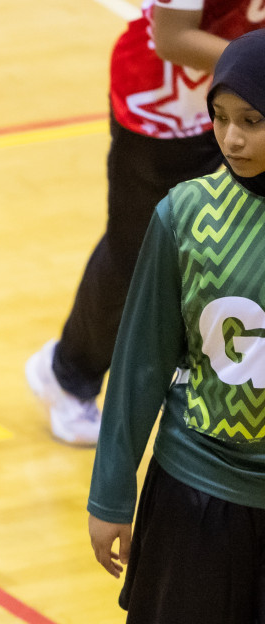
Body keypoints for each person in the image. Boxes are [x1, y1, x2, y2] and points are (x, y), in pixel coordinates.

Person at [88, 31, 265, 624]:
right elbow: (145, 356)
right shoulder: (185, 215)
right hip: (200, 496)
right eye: (223, 120)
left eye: (251, 122)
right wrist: (112, 492)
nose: (230, 139)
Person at [28, 0, 264, 445]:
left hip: (250, 94)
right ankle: (65, 374)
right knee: (139, 252)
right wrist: (257, 62)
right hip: (167, 110)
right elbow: (172, 38)